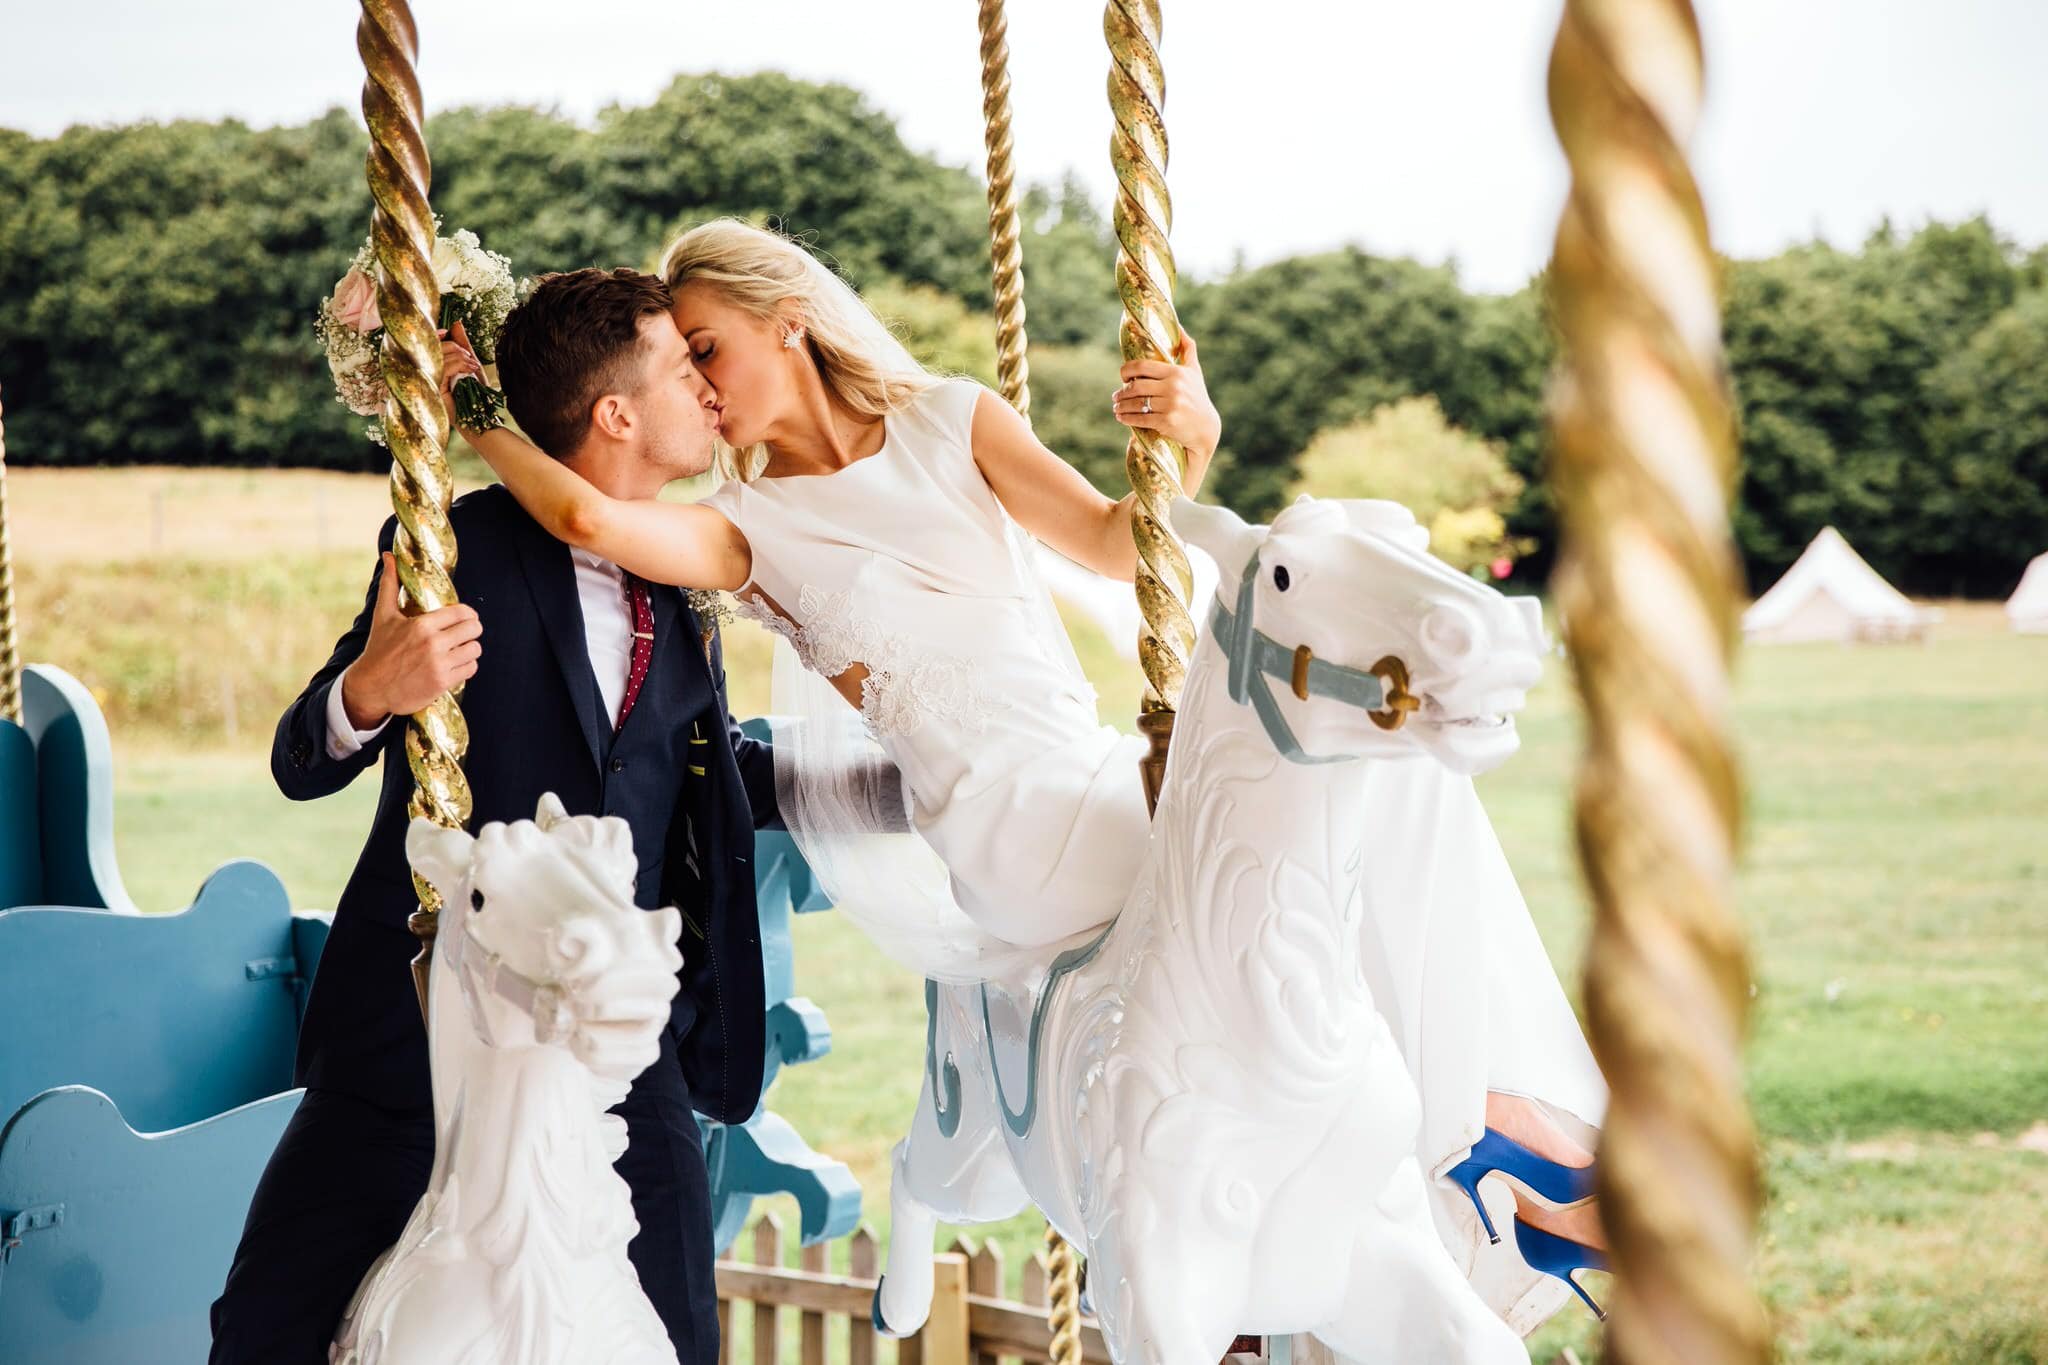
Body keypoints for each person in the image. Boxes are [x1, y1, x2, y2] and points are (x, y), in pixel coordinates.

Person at [444, 220, 1608, 1325]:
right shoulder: (747, 529)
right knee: (1275, 850)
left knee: (1372, 780)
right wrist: (470, 402)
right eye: (682, 363)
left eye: (707, 348)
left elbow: (1114, 540)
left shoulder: (955, 421)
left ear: (786, 319)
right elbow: (586, 518)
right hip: (1008, 830)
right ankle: (1484, 1146)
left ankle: (1475, 1127)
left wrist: (1185, 439)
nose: (697, 384)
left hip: (1093, 769)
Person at [211, 268, 778, 1365]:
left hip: (617, 1047)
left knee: (676, 1339)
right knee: (262, 1331)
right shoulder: (453, 543)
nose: (709, 393)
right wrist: (369, 692)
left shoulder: (679, 579)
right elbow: (300, 758)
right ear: (614, 413)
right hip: (425, 1021)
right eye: (682, 369)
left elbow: (695, 775)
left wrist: (920, 786)